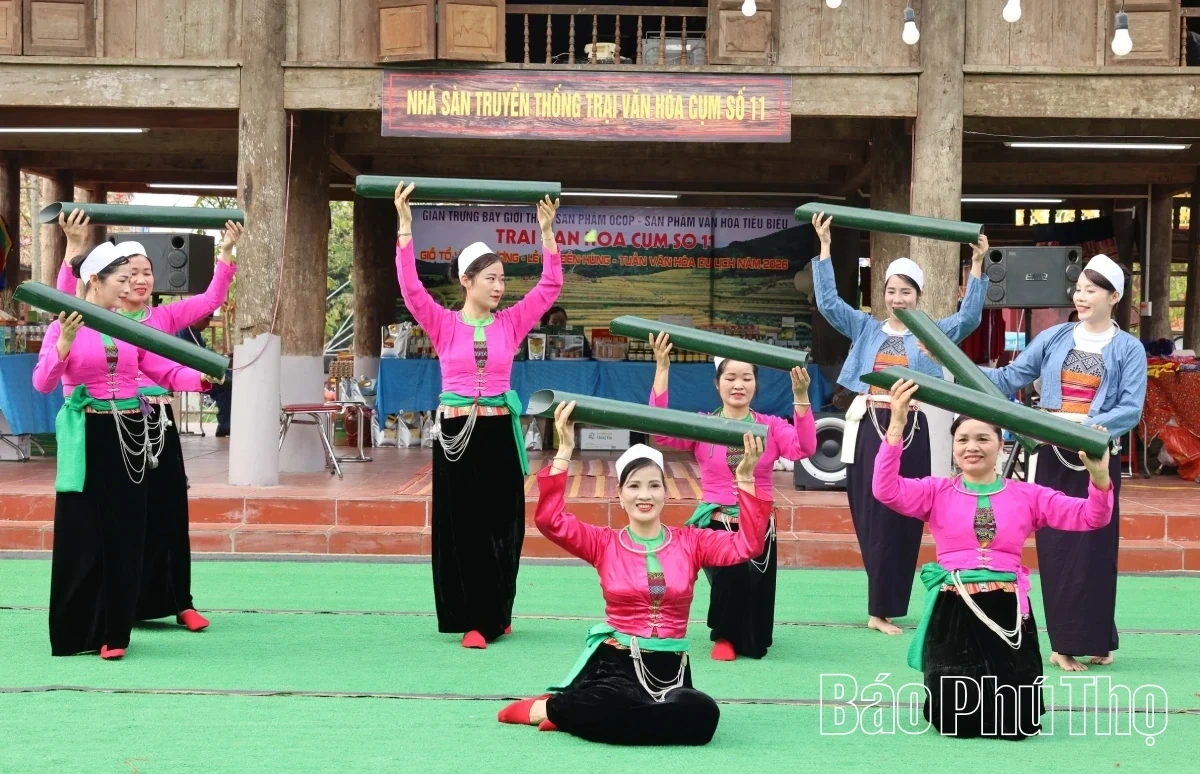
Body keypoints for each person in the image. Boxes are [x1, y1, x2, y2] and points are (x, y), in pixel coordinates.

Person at [497, 401, 771, 745]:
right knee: (609, 702)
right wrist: (565, 450)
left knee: (704, 715)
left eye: (654, 486)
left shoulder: (692, 542)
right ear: (621, 495)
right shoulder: (603, 543)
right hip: (616, 668)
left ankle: (570, 714)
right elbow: (550, 522)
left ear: (665, 493)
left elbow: (748, 545)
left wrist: (744, 478)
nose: (645, 495)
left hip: (672, 672)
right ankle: (555, 710)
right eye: (635, 486)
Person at [873, 379, 1113, 740]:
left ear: (1001, 445)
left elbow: (1092, 517)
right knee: (955, 722)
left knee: (1018, 723)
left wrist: (1100, 479)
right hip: (953, 608)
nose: (972, 447)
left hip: (1008, 610)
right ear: (953, 448)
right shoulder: (936, 492)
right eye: (963, 440)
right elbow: (885, 489)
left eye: (983, 439)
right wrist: (896, 425)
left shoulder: (1029, 496)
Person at [394, 181, 562, 649]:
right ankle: (473, 618)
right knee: (463, 525)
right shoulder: (443, 323)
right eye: (491, 278)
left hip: (498, 433)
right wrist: (406, 229)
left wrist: (547, 234)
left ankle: (498, 611)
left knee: (505, 524)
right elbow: (410, 289)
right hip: (456, 434)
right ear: (466, 280)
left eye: (503, 279)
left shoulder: (511, 321)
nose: (500, 286)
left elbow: (550, 286)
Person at [57, 210, 240, 633]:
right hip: (109, 424)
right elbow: (62, 307)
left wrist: (226, 257)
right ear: (109, 282)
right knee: (120, 518)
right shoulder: (96, 320)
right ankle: (121, 604)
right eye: (130, 273)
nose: (139, 280)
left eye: (146, 273)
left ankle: (180, 600)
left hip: (155, 422)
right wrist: (73, 251)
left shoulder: (162, 319)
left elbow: (209, 302)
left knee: (169, 509)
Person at [32, 242, 216, 659]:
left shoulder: (124, 324)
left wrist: (199, 379)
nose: (128, 287)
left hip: (131, 429)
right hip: (88, 431)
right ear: (93, 281)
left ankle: (115, 633)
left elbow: (159, 366)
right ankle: (79, 629)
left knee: (127, 531)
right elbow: (43, 383)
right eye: (120, 280)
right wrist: (64, 344)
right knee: (84, 532)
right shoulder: (64, 324)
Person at [809, 212, 988, 635]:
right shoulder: (866, 327)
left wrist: (976, 267)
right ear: (882, 294)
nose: (897, 297)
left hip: (913, 429)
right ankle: (877, 607)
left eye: (905, 291)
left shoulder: (930, 333)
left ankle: (888, 604)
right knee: (871, 514)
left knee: (906, 515)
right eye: (891, 290)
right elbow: (830, 304)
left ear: (918, 296)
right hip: (870, 424)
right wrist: (825, 248)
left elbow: (969, 319)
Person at [978, 253, 1145, 671]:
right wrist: (954, 367)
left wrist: (1089, 426)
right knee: (1057, 550)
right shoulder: (1054, 338)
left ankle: (1096, 639)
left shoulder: (1129, 349)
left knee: (1096, 550)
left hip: (1095, 459)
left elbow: (1130, 408)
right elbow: (1010, 378)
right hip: (1052, 455)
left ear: (1114, 296)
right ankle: (1064, 645)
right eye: (1079, 289)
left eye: (1091, 290)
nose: (1081, 296)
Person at [648, 333, 816, 661]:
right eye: (730, 377)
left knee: (756, 637)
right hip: (716, 523)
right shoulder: (703, 424)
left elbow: (805, 447)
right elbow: (660, 430)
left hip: (757, 522)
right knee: (732, 577)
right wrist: (662, 367)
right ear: (717, 383)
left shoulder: (771, 426)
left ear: (755, 385)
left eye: (746, 378)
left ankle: (747, 635)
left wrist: (800, 397)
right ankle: (722, 635)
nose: (738, 384)